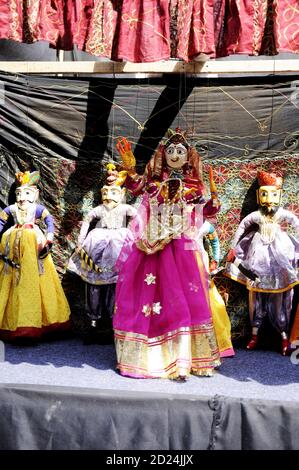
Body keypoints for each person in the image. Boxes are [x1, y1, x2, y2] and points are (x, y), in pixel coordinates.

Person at [113, 129, 221, 380]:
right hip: (151, 247)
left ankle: (183, 360)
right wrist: (130, 170)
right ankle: (152, 359)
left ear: (188, 157)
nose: (174, 155)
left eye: (180, 151)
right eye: (170, 150)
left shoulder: (193, 187)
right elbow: (136, 186)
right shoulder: (153, 183)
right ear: (163, 154)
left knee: (182, 299)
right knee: (148, 301)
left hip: (180, 248)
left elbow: (209, 211)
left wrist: (214, 195)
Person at [226, 170, 299, 355]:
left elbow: (295, 221)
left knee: (280, 297)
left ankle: (283, 334)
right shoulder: (257, 215)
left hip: (279, 258)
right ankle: (254, 334)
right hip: (257, 259)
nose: (268, 199)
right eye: (264, 194)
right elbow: (242, 225)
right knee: (256, 295)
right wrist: (233, 248)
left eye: (273, 194)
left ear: (279, 195)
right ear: (259, 195)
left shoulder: (282, 213)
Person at [67, 164, 137, 343]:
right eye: (105, 192)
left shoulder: (124, 209)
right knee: (94, 285)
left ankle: (113, 324)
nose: (108, 197)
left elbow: (137, 217)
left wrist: (133, 234)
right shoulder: (99, 209)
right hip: (97, 245)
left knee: (115, 285)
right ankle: (93, 323)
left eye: (113, 192)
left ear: (121, 194)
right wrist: (80, 242)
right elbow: (87, 219)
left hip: (120, 245)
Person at [0, 170, 70, 341]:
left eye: (26, 193)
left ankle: (41, 322)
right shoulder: (11, 209)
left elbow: (49, 222)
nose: (22, 197)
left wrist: (49, 239)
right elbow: (1, 221)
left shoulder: (38, 208)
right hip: (12, 243)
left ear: (35, 194)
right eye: (18, 193)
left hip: (33, 244)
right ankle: (12, 320)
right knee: (11, 277)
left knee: (37, 278)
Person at [196, 219, 234, 357]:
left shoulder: (206, 225)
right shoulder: (179, 221)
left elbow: (215, 242)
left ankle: (217, 342)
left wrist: (215, 260)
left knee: (207, 296)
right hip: (182, 260)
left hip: (200, 260)